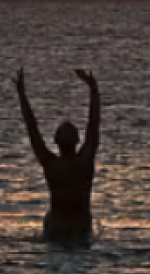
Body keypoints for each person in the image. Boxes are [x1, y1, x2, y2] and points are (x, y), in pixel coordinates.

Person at [12, 68, 101, 242]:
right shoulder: (84, 162)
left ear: (56, 141)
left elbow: (32, 128)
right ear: (77, 139)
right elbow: (94, 124)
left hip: (56, 228)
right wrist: (93, 89)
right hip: (79, 228)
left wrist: (22, 94)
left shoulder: (51, 165)